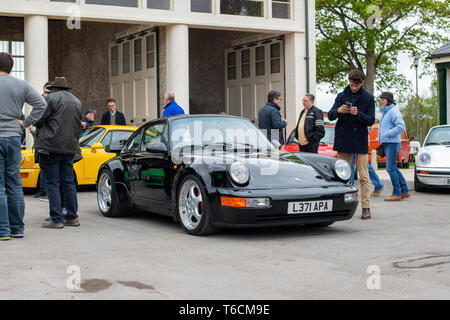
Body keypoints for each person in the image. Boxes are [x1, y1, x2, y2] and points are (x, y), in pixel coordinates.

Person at [0, 52, 47, 240]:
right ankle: (17, 228)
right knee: (14, 183)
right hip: (13, 137)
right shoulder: (21, 85)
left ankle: (3, 230)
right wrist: (26, 122)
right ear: (11, 67)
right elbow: (41, 104)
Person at [34, 77, 82, 229]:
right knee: (68, 183)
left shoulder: (51, 99)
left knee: (52, 183)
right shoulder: (77, 101)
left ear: (54, 89)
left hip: (51, 147)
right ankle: (72, 217)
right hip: (69, 148)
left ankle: (56, 218)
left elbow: (39, 119)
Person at [328, 69, 375, 220]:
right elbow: (330, 114)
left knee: (363, 176)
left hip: (360, 140)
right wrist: (339, 110)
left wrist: (357, 113)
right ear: (348, 81)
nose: (353, 88)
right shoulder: (341, 95)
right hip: (343, 139)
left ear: (361, 83)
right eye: (351, 84)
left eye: (356, 85)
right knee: (341, 175)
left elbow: (371, 120)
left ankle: (366, 208)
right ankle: (339, 206)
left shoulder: (368, 98)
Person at [378, 92, 410, 201]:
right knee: (394, 168)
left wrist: (387, 134)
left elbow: (401, 126)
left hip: (392, 143)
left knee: (390, 168)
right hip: (389, 143)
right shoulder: (386, 112)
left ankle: (396, 193)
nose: (381, 100)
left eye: (383, 99)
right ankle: (404, 191)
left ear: (389, 101)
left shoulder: (393, 111)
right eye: (381, 99)